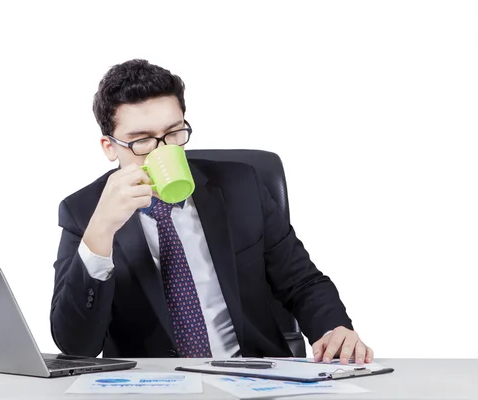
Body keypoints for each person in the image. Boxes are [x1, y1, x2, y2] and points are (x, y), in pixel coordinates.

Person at [50, 59, 373, 364]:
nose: (163, 150)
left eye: (173, 133)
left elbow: (302, 282)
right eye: (142, 141)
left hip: (251, 376)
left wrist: (334, 330)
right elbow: (77, 345)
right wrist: (101, 232)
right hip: (153, 388)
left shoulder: (241, 185)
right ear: (110, 147)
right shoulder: (83, 213)